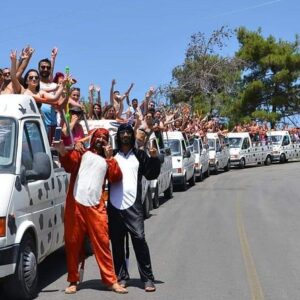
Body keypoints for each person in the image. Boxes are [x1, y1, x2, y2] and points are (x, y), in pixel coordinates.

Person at [52, 128, 128, 294]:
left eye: (104, 138)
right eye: (98, 137)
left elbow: (116, 177)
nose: (101, 140)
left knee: (102, 242)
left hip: (96, 207)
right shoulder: (82, 152)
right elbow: (68, 164)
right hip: (76, 205)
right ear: (92, 138)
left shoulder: (108, 159)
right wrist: (63, 150)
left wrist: (110, 159)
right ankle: (73, 280)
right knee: (72, 243)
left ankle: (111, 281)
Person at [108, 123, 161, 292]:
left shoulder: (140, 155)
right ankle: (121, 277)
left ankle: (147, 278)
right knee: (116, 243)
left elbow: (151, 174)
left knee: (139, 239)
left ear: (132, 136)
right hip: (114, 206)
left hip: (134, 207)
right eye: (122, 133)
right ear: (118, 136)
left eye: (128, 133)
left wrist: (154, 159)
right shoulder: (112, 155)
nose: (125, 135)